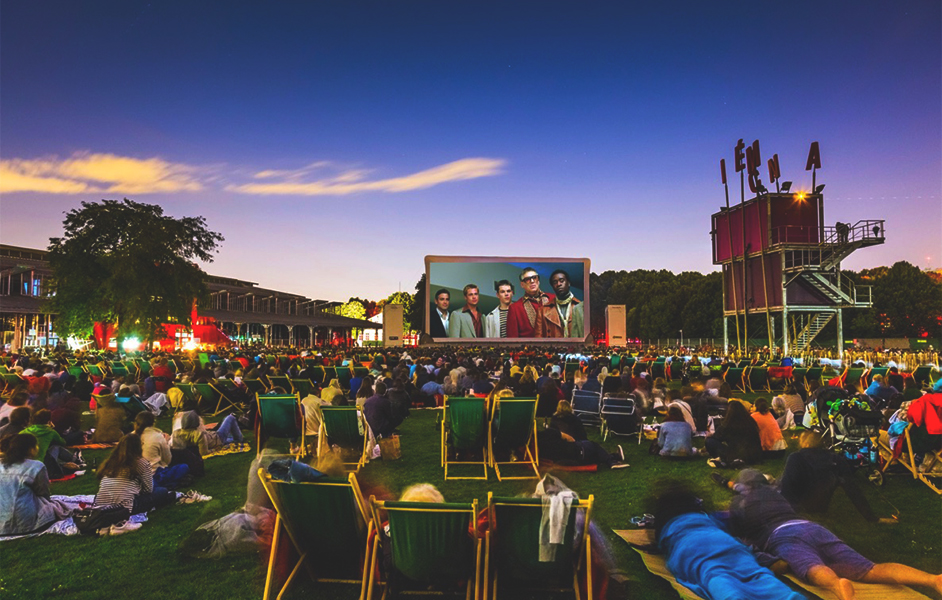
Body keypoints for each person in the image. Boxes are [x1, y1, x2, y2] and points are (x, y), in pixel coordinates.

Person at [727, 469, 942, 600]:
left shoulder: (740, 503)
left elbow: (735, 530)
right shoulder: (776, 493)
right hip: (812, 527)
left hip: (783, 535)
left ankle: (837, 586)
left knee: (811, 566)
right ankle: (932, 580)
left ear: (743, 487)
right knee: (871, 569)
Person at [652, 481, 804, 600]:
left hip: (691, 548)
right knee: (755, 573)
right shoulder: (704, 517)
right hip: (723, 542)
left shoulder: (668, 528)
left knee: (716, 575)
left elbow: (661, 543)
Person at [0, 434, 72, 535]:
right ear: (30, 449)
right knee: (57, 506)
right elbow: (43, 493)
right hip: (27, 523)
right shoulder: (36, 466)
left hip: (2, 526)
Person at [95, 433, 175, 515]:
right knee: (162, 491)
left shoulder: (111, 462)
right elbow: (148, 490)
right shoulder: (141, 463)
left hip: (102, 505)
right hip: (126, 507)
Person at [134, 412, 189, 490]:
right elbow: (167, 460)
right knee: (184, 467)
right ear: (153, 422)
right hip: (154, 474)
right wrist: (166, 442)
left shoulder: (131, 436)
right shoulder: (157, 437)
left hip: (135, 475)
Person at [705, 401, 762, 468]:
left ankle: (718, 456)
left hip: (738, 454)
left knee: (709, 441)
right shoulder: (750, 421)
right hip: (754, 455)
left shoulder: (728, 424)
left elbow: (716, 437)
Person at [171, 410, 244, 456]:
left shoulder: (176, 433)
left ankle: (232, 438)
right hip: (218, 439)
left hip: (213, 438)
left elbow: (176, 449)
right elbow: (204, 452)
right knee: (230, 418)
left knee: (227, 431)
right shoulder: (199, 434)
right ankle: (238, 438)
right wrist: (216, 449)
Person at [507, 267, 554, 338]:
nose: (532, 281)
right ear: (522, 284)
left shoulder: (553, 298)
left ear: (538, 281)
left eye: (534, 278)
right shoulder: (515, 308)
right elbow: (512, 339)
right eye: (527, 279)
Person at [546, 269, 584, 338]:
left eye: (562, 281)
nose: (558, 284)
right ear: (552, 287)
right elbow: (539, 338)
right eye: (555, 282)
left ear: (568, 283)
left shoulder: (581, 308)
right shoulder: (543, 311)